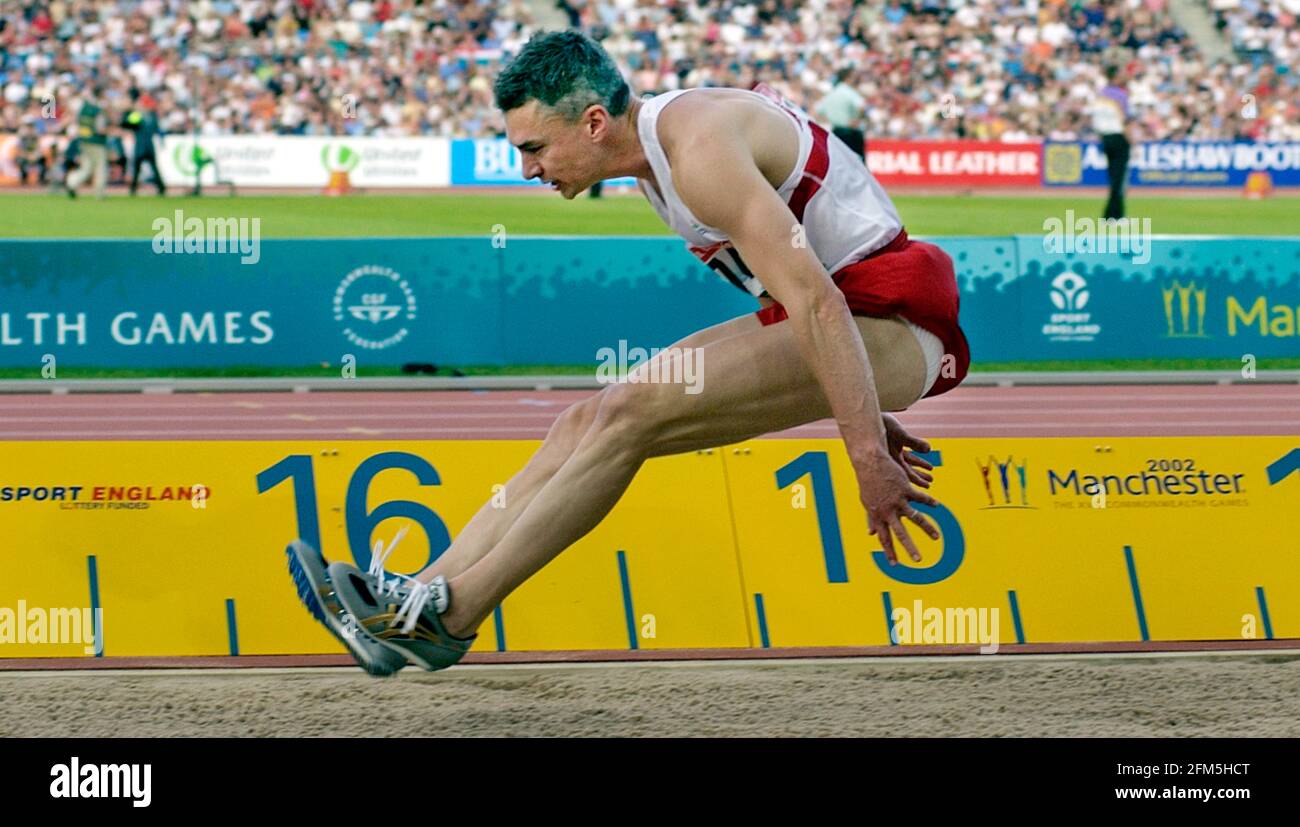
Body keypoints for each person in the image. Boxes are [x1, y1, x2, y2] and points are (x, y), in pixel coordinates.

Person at [292, 30, 971, 676]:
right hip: (863, 323)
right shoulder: (657, 156)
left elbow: (817, 301)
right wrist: (857, 401)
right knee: (586, 420)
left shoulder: (697, 150)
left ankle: (453, 617)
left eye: (534, 148)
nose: (528, 169)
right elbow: (806, 293)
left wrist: (865, 453)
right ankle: (417, 597)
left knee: (630, 414)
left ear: (592, 123)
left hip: (891, 319)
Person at [1093, 66, 1131, 219]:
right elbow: (1125, 120)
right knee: (1119, 180)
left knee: (1113, 178)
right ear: (1115, 77)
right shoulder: (1121, 95)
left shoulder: (1100, 94)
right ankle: (1115, 216)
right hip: (1118, 137)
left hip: (1105, 138)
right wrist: (1132, 141)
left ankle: (1110, 214)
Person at [64, 87, 110, 199]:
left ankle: (71, 182)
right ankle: (99, 192)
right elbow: (100, 129)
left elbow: (77, 123)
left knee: (86, 168)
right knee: (100, 167)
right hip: (97, 142)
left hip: (84, 141)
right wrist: (113, 131)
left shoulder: (83, 109)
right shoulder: (98, 111)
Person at [814, 67, 867, 161]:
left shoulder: (832, 93)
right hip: (851, 132)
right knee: (857, 164)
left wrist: (834, 118)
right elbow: (862, 107)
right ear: (847, 78)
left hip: (836, 132)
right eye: (853, 77)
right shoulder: (849, 92)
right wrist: (857, 119)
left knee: (840, 162)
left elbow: (819, 110)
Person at [120, 89, 166, 196]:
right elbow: (156, 129)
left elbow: (126, 124)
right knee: (152, 168)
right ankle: (161, 188)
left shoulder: (138, 115)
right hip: (149, 145)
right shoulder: (151, 116)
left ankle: (134, 189)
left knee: (138, 168)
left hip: (141, 145)